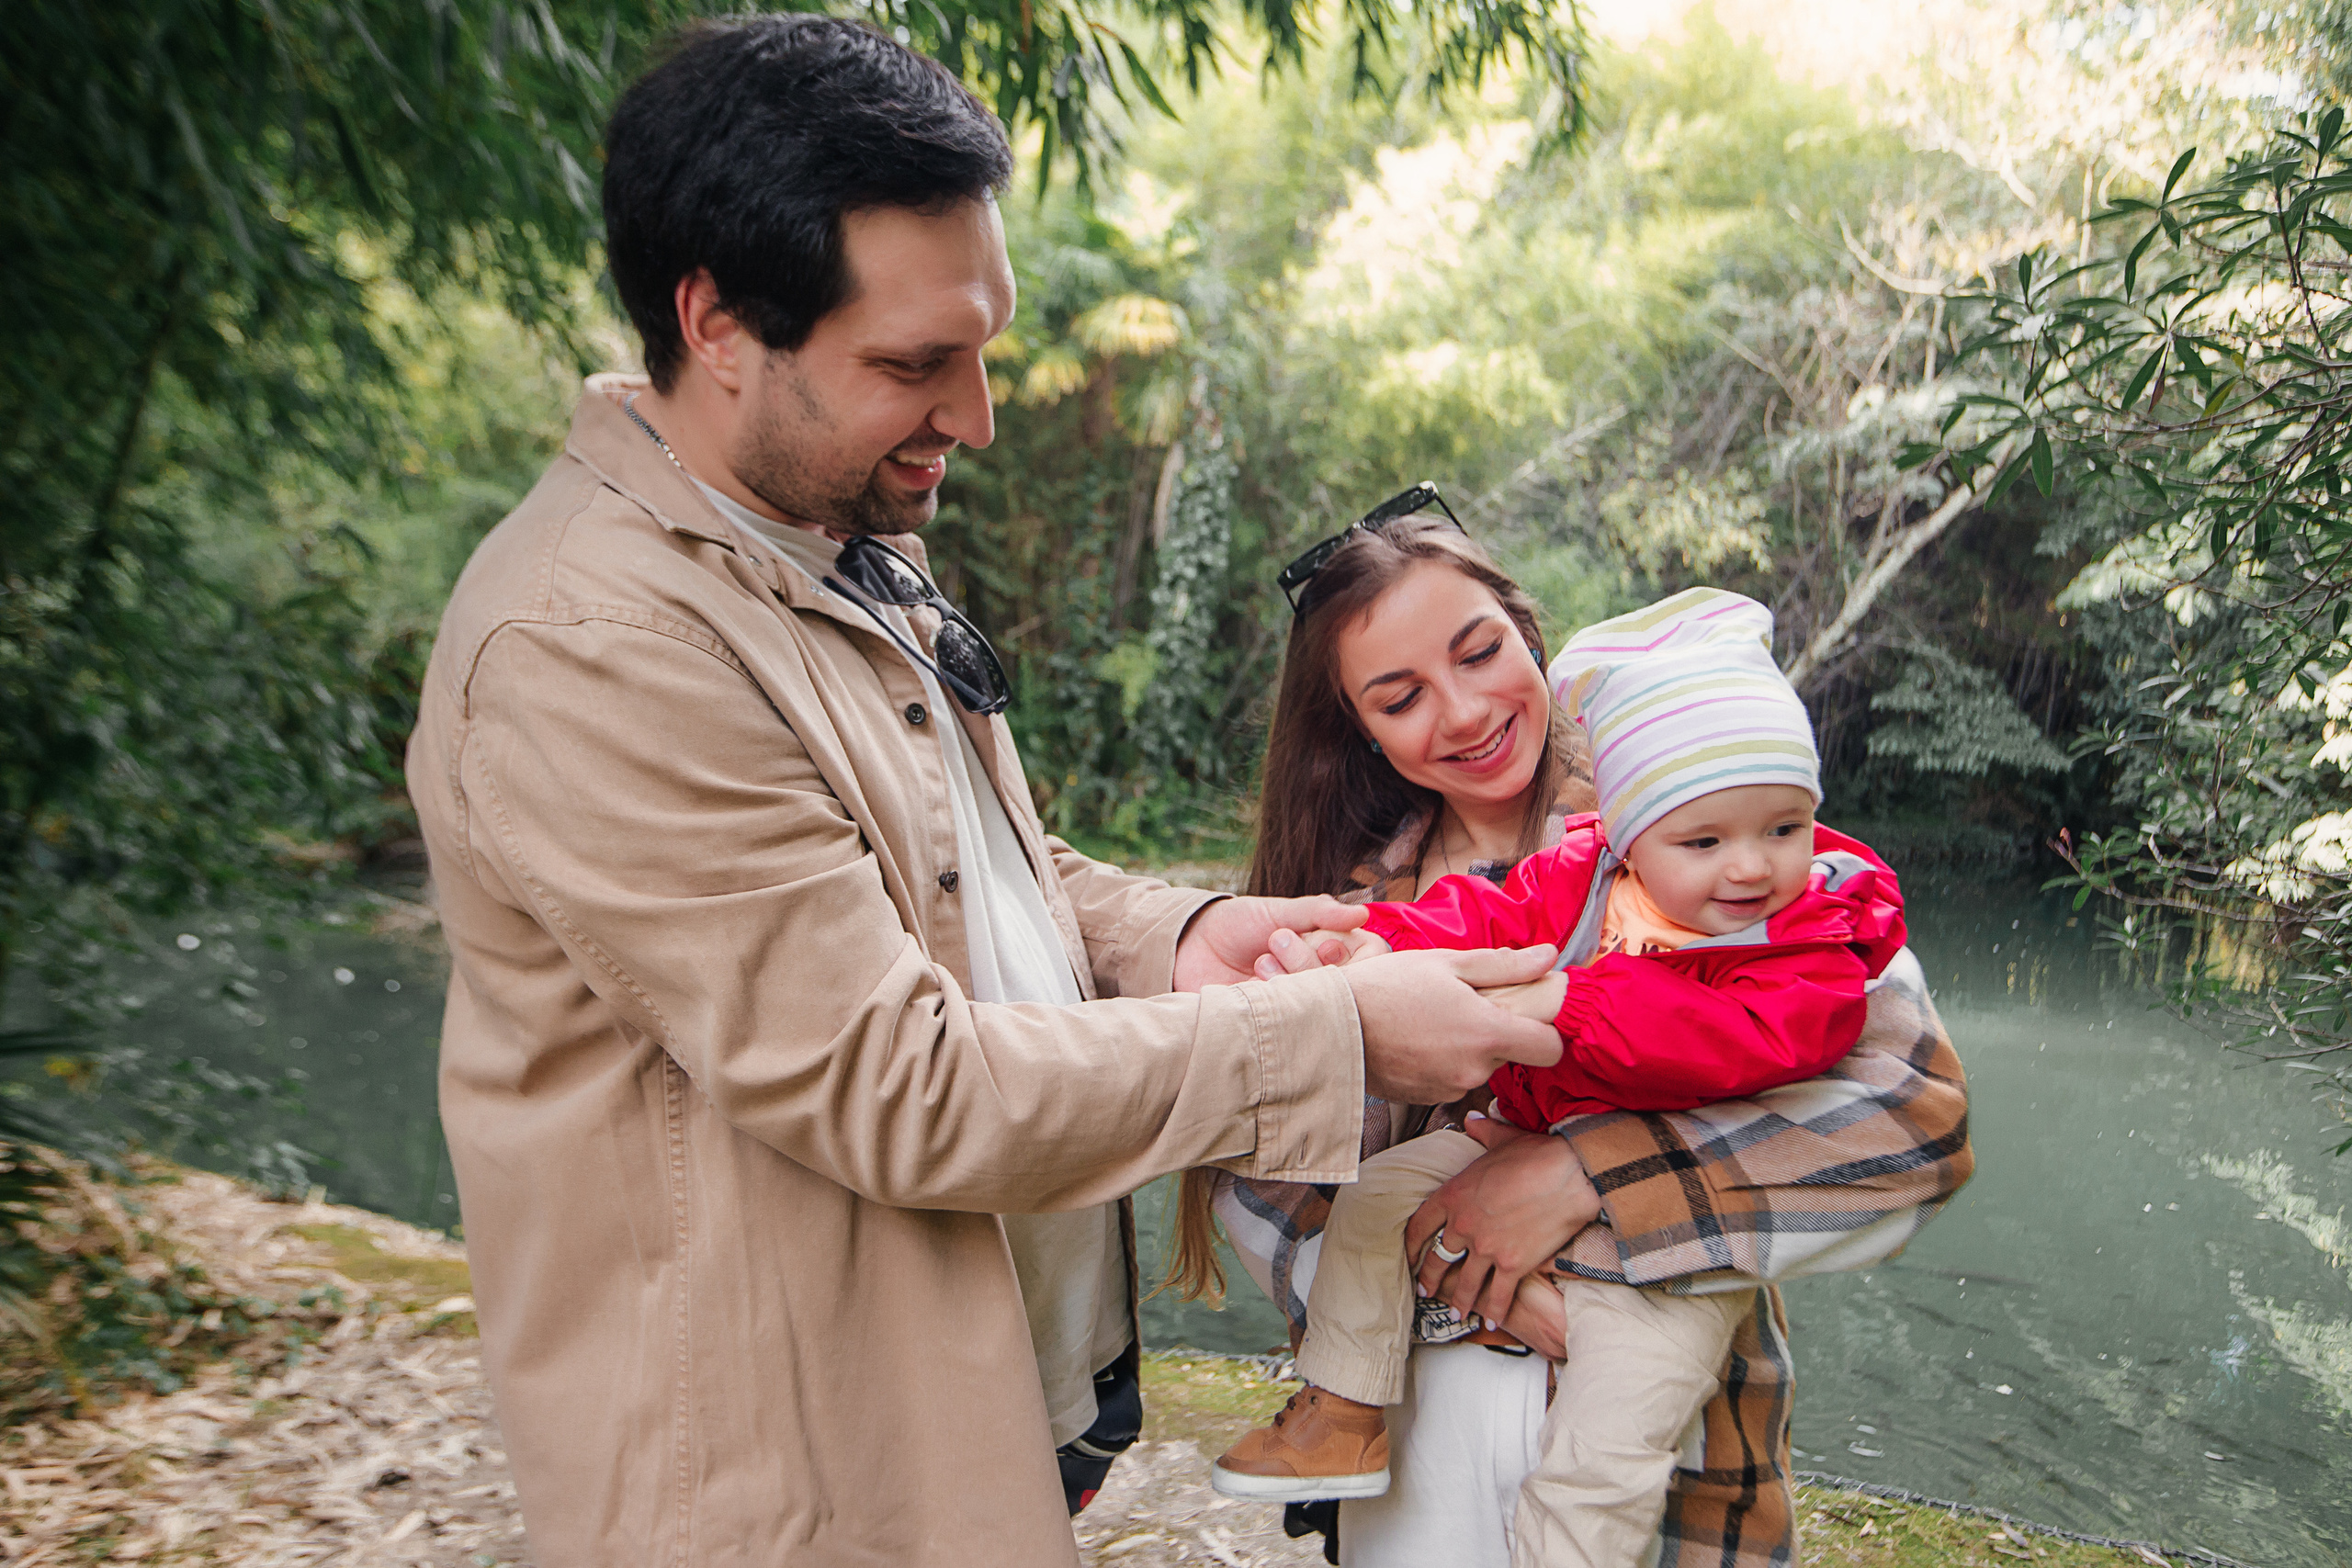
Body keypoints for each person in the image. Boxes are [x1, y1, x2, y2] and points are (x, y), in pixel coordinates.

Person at [402, 24, 1567, 1567]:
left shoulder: (826, 537)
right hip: (786, 1475)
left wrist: (1186, 937)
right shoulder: (595, 645)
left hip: (974, 1387)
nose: (978, 414)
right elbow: (899, 1082)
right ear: (719, 322)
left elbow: (970, 870)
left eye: (983, 346)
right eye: (914, 364)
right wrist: (1338, 1031)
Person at [1166, 498, 1974, 1568]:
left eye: (1478, 652)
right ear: (1357, 726)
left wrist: (1587, 1178)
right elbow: (1262, 1182)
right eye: (1400, 697)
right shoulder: (1346, 909)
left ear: (1528, 636)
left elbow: (1910, 1123)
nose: (1459, 714)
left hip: (1659, 1432)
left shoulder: (1710, 818)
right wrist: (1465, 1284)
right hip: (1413, 1446)